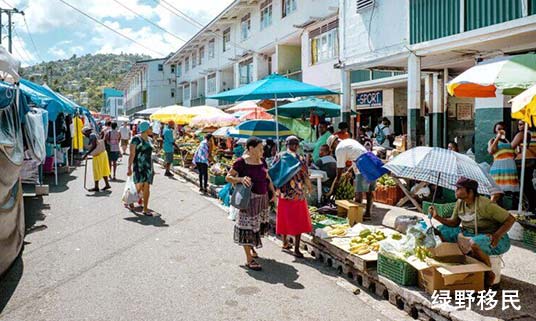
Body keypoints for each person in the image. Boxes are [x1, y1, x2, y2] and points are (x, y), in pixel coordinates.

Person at [430, 177, 515, 286]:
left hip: (494, 238)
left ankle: (488, 272)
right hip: (469, 234)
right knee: (442, 230)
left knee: (474, 243)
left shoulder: (486, 204)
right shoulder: (459, 203)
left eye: (459, 188)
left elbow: (511, 219)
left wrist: (497, 235)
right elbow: (454, 223)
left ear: (470, 191)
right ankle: (457, 260)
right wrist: (436, 216)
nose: (455, 190)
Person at [226, 137, 276, 271]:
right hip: (248, 201)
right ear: (251, 148)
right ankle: (249, 260)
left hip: (262, 199)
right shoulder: (241, 162)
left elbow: (267, 177)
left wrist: (273, 192)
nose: (262, 151)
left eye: (262, 148)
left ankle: (251, 247)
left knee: (256, 227)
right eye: (260, 148)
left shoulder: (262, 161)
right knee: (246, 228)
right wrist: (241, 179)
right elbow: (228, 177)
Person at [275, 136, 313, 258]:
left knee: (284, 217)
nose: (295, 146)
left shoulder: (279, 156)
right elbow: (306, 175)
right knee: (298, 220)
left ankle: (285, 242)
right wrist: (309, 188)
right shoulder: (300, 158)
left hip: (284, 193)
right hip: (297, 193)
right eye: (294, 144)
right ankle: (295, 248)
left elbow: (274, 173)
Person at [326, 135, 375, 218]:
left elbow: (340, 169)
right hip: (371, 160)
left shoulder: (339, 149)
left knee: (358, 192)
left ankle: (355, 217)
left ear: (334, 144)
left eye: (332, 147)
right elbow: (357, 154)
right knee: (369, 191)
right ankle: (368, 213)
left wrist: (336, 182)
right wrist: (350, 170)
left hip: (362, 164)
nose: (334, 149)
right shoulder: (348, 141)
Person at [127, 121, 154, 216]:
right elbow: (132, 154)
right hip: (138, 166)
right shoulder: (135, 139)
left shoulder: (150, 139)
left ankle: (145, 209)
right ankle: (129, 199)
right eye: (150, 128)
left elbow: (150, 153)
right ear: (146, 129)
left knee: (147, 186)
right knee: (138, 187)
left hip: (148, 166)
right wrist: (129, 167)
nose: (152, 130)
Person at [487, 122, 519, 195]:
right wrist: (497, 138)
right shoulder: (492, 140)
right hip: (499, 168)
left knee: (509, 192)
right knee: (497, 192)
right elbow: (491, 151)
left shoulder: (508, 141)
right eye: (499, 129)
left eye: (503, 129)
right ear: (495, 130)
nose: (501, 130)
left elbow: (513, 154)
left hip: (510, 169)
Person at [511, 120, 536, 211]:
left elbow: (510, 147)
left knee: (523, 184)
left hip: (523, 161)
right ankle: (532, 205)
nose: (519, 126)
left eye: (521, 124)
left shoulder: (522, 134)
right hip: (532, 160)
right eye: (518, 124)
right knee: (528, 184)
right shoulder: (533, 134)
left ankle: (529, 205)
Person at [82, 127, 111, 192]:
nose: (84, 135)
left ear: (86, 132)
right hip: (103, 153)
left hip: (98, 155)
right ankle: (107, 184)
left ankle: (96, 187)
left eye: (84, 134)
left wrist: (86, 154)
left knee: (96, 170)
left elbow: (94, 146)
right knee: (104, 169)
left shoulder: (92, 135)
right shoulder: (94, 134)